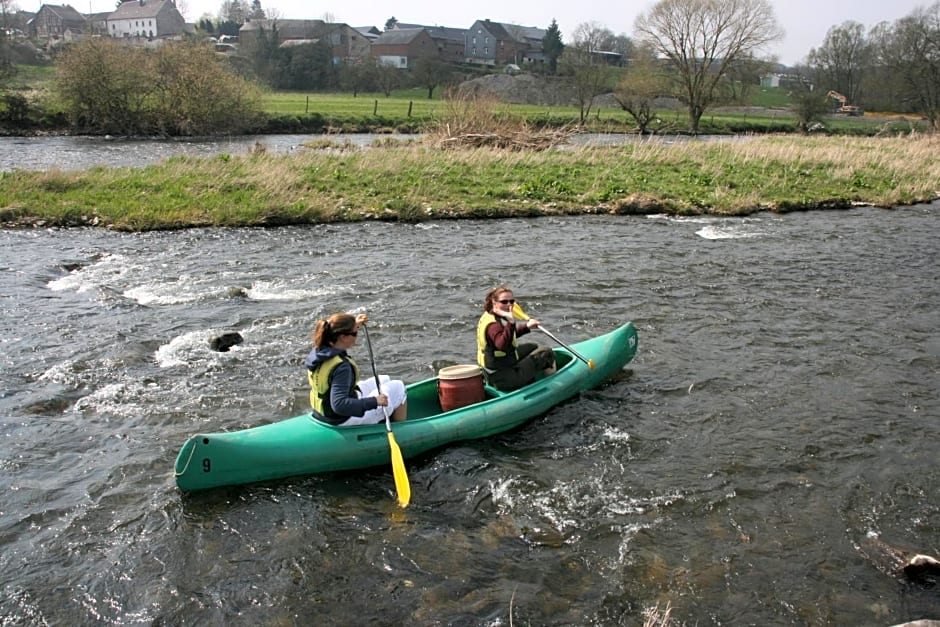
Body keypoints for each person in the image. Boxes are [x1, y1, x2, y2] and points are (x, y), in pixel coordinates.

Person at [305, 312, 407, 426]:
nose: (357, 337)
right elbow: (339, 405)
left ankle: (383, 417)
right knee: (399, 387)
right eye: (354, 333)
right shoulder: (342, 368)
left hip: (324, 411)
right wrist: (375, 401)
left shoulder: (320, 349)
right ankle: (400, 429)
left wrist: (355, 324)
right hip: (343, 418)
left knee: (384, 379)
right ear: (342, 337)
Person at [477, 286, 556, 391]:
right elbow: (502, 345)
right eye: (504, 302)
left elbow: (507, 336)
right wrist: (511, 322)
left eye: (511, 301)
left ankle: (530, 378)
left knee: (533, 347)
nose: (509, 305)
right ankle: (552, 386)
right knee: (547, 353)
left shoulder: (490, 315)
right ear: (494, 303)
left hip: (495, 369)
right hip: (503, 378)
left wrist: (527, 326)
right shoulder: (494, 326)